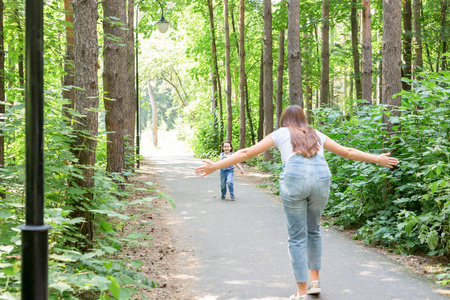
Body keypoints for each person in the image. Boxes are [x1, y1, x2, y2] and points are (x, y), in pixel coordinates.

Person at [195, 105, 399, 299]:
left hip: (294, 180)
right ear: (303, 118)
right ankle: (315, 281)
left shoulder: (281, 133)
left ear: (284, 120)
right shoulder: (316, 133)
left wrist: (216, 166)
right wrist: (376, 159)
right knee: (314, 230)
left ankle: (301, 292)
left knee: (297, 236)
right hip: (321, 178)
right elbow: (347, 152)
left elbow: (246, 153)